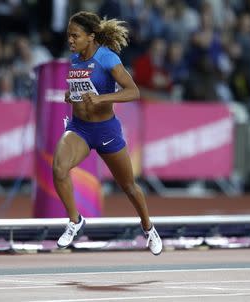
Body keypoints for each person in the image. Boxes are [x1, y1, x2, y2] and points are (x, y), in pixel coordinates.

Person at [53, 11, 162, 255]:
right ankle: (75, 220)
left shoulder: (107, 58)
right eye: (68, 36)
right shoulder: (74, 59)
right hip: (79, 128)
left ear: (90, 37)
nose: (70, 40)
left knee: (128, 186)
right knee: (59, 169)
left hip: (105, 130)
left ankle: (148, 227)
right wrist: (72, 97)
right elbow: (81, 91)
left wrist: (103, 98)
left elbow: (133, 91)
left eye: (75, 36)